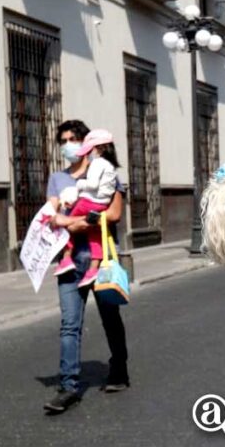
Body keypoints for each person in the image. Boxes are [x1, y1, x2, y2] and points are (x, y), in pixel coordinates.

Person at [42, 120, 131, 415]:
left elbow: (114, 213)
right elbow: (51, 215)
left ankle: (119, 369)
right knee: (69, 324)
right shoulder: (57, 179)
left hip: (101, 257)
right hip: (69, 261)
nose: (68, 145)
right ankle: (68, 386)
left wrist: (72, 222)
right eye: (63, 140)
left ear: (87, 144)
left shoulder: (106, 173)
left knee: (109, 316)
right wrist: (73, 221)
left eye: (73, 139)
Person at [54, 128, 121, 288]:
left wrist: (79, 184)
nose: (88, 154)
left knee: (66, 227)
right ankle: (93, 269)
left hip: (88, 202)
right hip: (101, 204)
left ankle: (67, 258)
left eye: (90, 150)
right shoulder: (111, 167)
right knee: (95, 234)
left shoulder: (98, 163)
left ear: (98, 148)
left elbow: (92, 185)